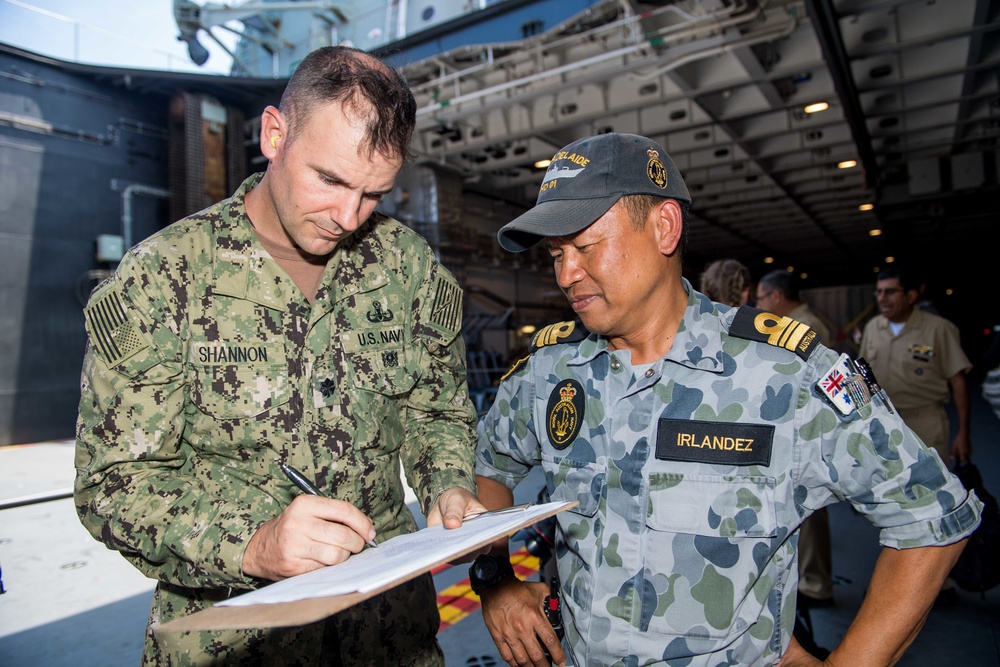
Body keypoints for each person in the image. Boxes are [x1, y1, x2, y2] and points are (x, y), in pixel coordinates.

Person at [471, 132, 982, 667]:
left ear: (664, 226)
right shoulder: (551, 370)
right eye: (556, 254)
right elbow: (488, 468)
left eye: (585, 246)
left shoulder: (783, 374)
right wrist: (496, 579)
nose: (566, 274)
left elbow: (931, 518)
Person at [74, 46, 484, 666]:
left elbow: (438, 413)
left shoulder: (407, 268)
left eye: (374, 193)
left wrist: (448, 487)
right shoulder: (164, 278)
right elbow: (112, 484)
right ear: (274, 134)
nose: (347, 216)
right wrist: (253, 544)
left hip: (387, 640)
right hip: (236, 646)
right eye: (331, 180)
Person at [859, 266, 974, 606]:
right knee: (887, 504)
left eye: (891, 292)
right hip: (884, 426)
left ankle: (941, 582)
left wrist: (964, 432)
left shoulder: (939, 329)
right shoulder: (873, 328)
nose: (883, 299)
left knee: (932, 503)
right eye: (879, 292)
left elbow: (958, 383)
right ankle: (897, 581)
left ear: (912, 295)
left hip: (927, 424)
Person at [756, 269, 835, 610]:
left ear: (775, 296)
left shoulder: (801, 327)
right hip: (799, 427)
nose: (757, 306)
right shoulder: (799, 321)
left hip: (804, 429)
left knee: (810, 513)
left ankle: (816, 584)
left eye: (760, 298)